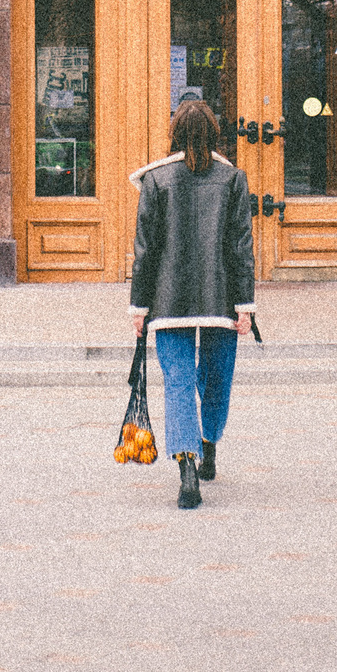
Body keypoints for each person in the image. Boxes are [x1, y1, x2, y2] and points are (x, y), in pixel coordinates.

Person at [128, 93, 256, 510]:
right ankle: (209, 443)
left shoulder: (155, 180)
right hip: (220, 296)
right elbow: (240, 247)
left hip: (168, 301)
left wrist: (139, 307)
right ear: (215, 133)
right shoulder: (233, 179)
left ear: (175, 133)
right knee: (217, 376)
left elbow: (145, 250)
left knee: (178, 380)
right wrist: (244, 306)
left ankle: (187, 469)